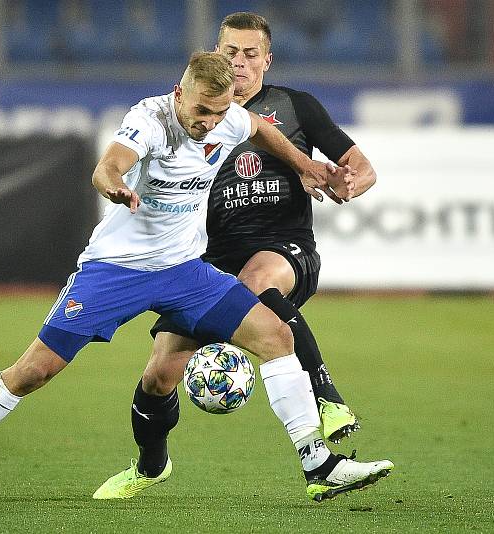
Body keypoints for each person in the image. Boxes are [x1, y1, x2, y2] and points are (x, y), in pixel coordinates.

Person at [0, 52, 390, 506]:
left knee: (276, 336)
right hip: (115, 272)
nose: (207, 123)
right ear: (178, 93)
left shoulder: (229, 119)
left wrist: (304, 164)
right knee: (32, 372)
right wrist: (117, 189)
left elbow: (259, 127)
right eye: (199, 112)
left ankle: (319, 465)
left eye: (218, 113)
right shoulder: (149, 119)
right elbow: (107, 167)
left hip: (185, 272)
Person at [94, 14, 390, 503]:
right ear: (216, 55)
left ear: (267, 60)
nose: (240, 62)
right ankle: (149, 466)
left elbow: (361, 166)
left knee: (255, 282)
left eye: (251, 54)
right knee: (160, 372)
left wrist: (352, 180)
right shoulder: (192, 113)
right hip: (206, 261)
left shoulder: (294, 107)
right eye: (231, 52)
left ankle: (328, 403)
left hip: (283, 247)